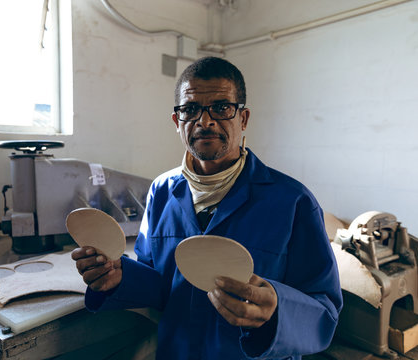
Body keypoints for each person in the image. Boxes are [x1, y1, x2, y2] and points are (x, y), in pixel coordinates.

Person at [71, 56, 342, 359]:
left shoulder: (293, 201)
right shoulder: (162, 191)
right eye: (190, 109)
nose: (205, 121)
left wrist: (276, 310)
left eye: (222, 107)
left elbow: (325, 311)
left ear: (244, 118)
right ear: (177, 122)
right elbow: (158, 282)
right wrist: (117, 276)